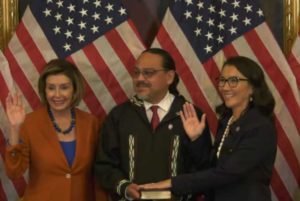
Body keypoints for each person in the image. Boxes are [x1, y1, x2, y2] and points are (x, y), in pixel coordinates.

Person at [140, 56, 277, 201]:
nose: (224, 87)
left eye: (233, 81)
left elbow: (227, 173)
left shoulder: (260, 126)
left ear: (253, 87)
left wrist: (171, 183)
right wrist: (196, 139)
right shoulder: (227, 121)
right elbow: (209, 168)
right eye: (222, 80)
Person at [94, 48, 212, 200]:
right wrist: (125, 188)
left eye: (148, 73)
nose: (140, 78)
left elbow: (205, 169)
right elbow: (104, 166)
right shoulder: (119, 116)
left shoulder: (190, 115)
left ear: (169, 77)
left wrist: (196, 141)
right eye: (136, 72)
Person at [4, 59, 108, 201]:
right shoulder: (29, 123)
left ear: (74, 89)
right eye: (51, 88)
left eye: (64, 87)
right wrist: (15, 129)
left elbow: (99, 175)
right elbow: (14, 173)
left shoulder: (91, 123)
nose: (57, 95)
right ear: (44, 90)